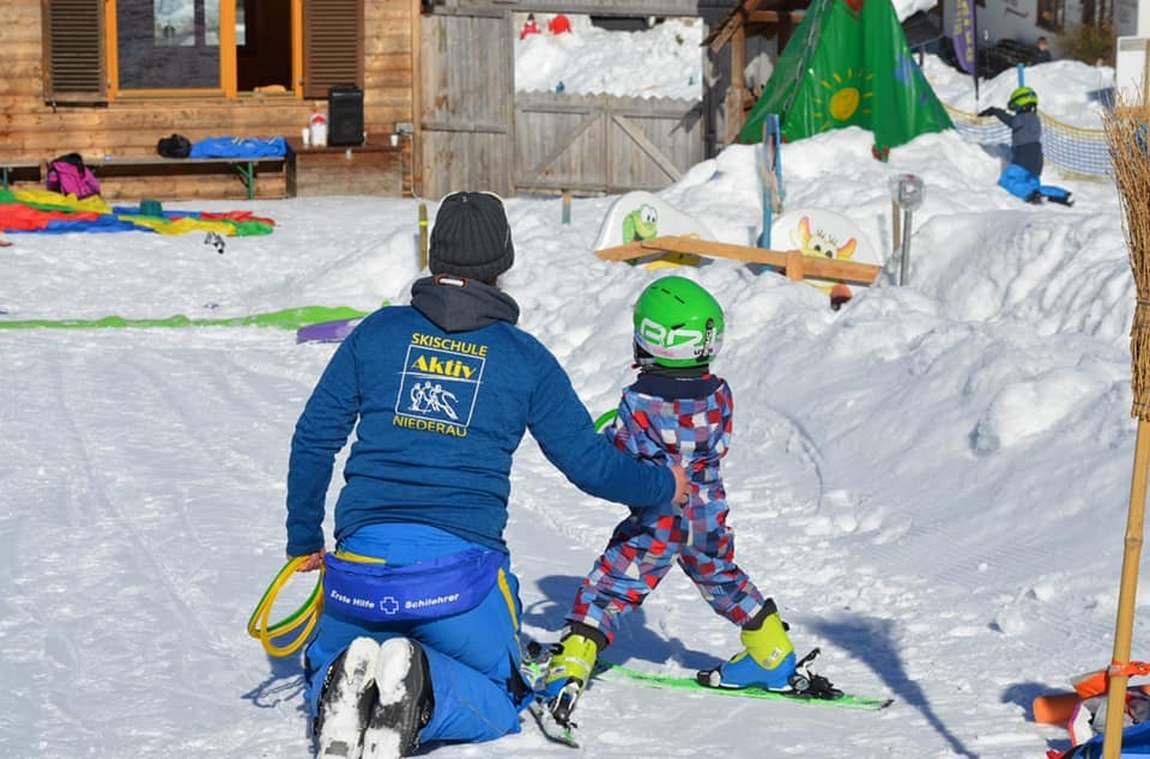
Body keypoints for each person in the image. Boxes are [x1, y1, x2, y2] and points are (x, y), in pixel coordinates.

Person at [284, 191, 690, 759]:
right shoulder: (524, 359)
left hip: (361, 574)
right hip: (459, 584)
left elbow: (313, 439)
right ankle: (422, 690)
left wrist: (304, 540)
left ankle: (345, 678)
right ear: (503, 262)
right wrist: (664, 484)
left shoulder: (375, 334)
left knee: (328, 655)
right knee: (503, 694)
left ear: (433, 256)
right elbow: (591, 467)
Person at [541, 276, 837, 727]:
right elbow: (712, 445)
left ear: (654, 339)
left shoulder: (638, 401)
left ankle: (574, 659)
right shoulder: (721, 395)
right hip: (707, 514)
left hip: (659, 520)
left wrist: (610, 434)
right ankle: (772, 652)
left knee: (613, 584)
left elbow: (624, 455)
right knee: (723, 578)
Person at [978, 87, 1073, 206]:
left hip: (1024, 157)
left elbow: (1011, 121)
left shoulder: (1023, 117)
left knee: (1007, 180)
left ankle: (1031, 196)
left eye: (1015, 107)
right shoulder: (1035, 118)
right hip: (1037, 159)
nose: (1015, 110)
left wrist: (995, 111)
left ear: (1021, 104)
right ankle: (1062, 195)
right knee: (1033, 184)